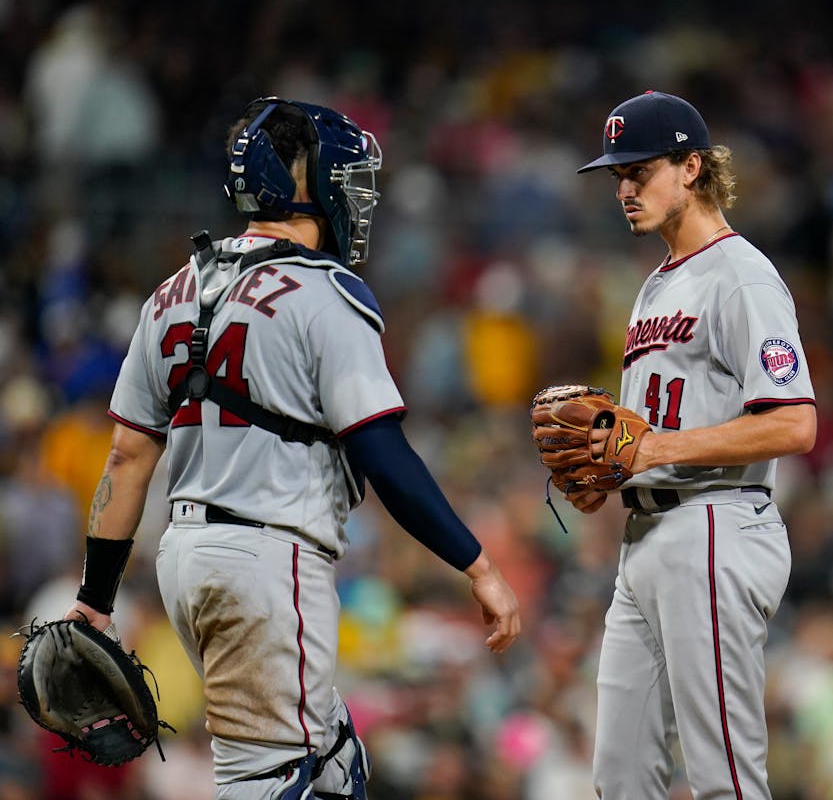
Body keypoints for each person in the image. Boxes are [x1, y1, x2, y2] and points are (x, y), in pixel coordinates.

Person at [61, 97, 521, 799]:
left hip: (184, 561)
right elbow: (382, 453)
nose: (354, 194)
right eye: (345, 175)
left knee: (335, 761)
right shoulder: (323, 291)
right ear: (305, 180)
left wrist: (95, 598)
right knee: (273, 782)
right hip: (268, 563)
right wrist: (477, 562)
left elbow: (126, 458)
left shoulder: (170, 292)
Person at [564, 90, 816, 799]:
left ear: (691, 167)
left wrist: (650, 450)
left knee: (723, 778)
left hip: (714, 523)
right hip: (646, 535)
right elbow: (642, 438)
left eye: (638, 171)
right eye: (617, 175)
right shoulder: (653, 285)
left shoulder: (741, 275)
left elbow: (795, 422)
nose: (624, 188)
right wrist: (607, 470)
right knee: (618, 775)